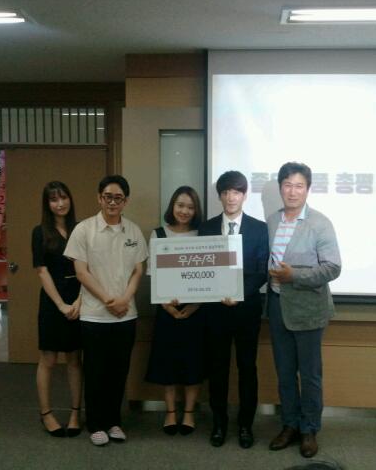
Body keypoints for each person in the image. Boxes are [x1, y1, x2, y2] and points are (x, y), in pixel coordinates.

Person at [64, 175, 148, 447]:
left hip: (126, 314)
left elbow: (138, 271)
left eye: (118, 198)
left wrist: (124, 300)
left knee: (119, 371)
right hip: (94, 315)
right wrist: (109, 300)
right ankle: (96, 424)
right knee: (96, 372)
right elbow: (81, 272)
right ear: (99, 198)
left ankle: (114, 422)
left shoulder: (133, 231)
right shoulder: (84, 230)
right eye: (108, 197)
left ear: (126, 201)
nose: (113, 202)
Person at [266, 162, 341, 458]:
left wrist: (293, 275)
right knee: (284, 373)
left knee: (309, 375)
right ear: (280, 188)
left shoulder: (320, 223)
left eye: (299, 186)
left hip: (309, 309)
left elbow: (333, 267)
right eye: (287, 185)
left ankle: (309, 429)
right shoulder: (272, 221)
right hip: (276, 306)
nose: (292, 191)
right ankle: (290, 425)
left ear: (308, 189)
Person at [198, 170, 269, 449]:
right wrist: (218, 293)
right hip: (214, 311)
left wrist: (238, 294)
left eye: (236, 192)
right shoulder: (206, 228)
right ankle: (219, 423)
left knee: (247, 368)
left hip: (246, 310)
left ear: (244, 195)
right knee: (217, 369)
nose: (231, 197)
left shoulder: (259, 228)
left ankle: (245, 425)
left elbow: (261, 270)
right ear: (219, 195)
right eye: (226, 192)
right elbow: (202, 268)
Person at [145, 186, 205, 436]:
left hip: (197, 310)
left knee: (193, 363)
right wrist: (167, 306)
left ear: (196, 210)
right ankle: (170, 412)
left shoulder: (203, 235)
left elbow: (211, 276)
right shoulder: (158, 234)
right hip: (166, 309)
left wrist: (194, 306)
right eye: (180, 205)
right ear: (172, 206)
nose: (184, 211)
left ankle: (189, 412)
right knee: (167, 362)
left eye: (190, 207)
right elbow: (152, 274)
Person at [32, 181, 82, 438]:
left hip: (79, 297)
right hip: (52, 301)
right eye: (54, 199)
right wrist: (61, 305)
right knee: (48, 359)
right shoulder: (40, 232)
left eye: (63, 197)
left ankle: (75, 413)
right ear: (47, 204)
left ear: (70, 199)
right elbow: (42, 271)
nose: (60, 203)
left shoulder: (80, 229)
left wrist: (79, 301)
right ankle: (46, 414)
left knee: (74, 359)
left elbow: (89, 268)